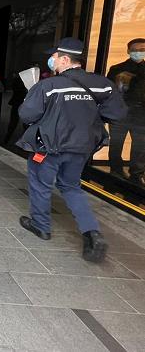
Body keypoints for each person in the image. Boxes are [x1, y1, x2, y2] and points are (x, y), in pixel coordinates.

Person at [17, 38, 127, 262]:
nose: (52, 61)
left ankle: (41, 225)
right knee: (71, 186)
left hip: (49, 147)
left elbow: (27, 114)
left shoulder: (48, 85)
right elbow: (117, 114)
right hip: (81, 147)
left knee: (40, 185)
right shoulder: (103, 84)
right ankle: (92, 233)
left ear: (65, 59)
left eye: (54, 57)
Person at [107, 38, 145, 184]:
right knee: (116, 144)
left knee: (140, 145)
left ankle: (137, 174)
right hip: (120, 112)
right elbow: (109, 91)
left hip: (141, 114)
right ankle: (116, 171)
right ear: (129, 51)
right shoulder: (117, 69)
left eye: (142, 50)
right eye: (135, 50)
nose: (139, 52)